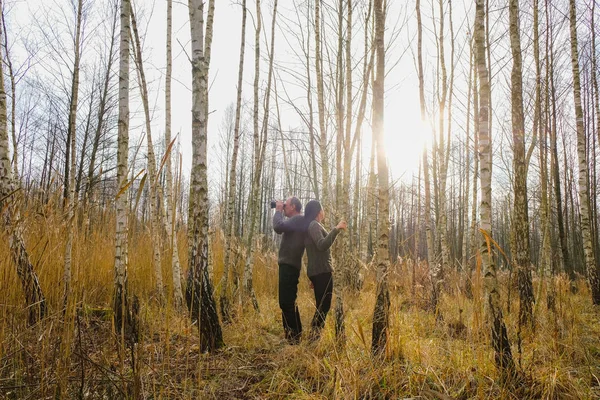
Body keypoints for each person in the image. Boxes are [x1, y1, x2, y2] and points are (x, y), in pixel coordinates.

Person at [303, 200, 347, 341]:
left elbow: (315, 250)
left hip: (318, 272)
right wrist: (336, 229)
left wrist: (313, 276)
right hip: (321, 271)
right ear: (318, 211)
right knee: (324, 306)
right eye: (322, 209)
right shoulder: (314, 225)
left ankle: (314, 336)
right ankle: (314, 337)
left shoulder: (312, 226)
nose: (324, 212)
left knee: (321, 305)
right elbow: (322, 245)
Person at [272, 197, 305, 344]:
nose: (283, 206)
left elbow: (278, 227)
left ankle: (293, 339)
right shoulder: (297, 221)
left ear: (293, 206)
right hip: (290, 265)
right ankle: (295, 335)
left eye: (286, 204)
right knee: (289, 301)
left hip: (289, 266)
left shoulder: (297, 219)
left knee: (285, 302)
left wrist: (278, 210)